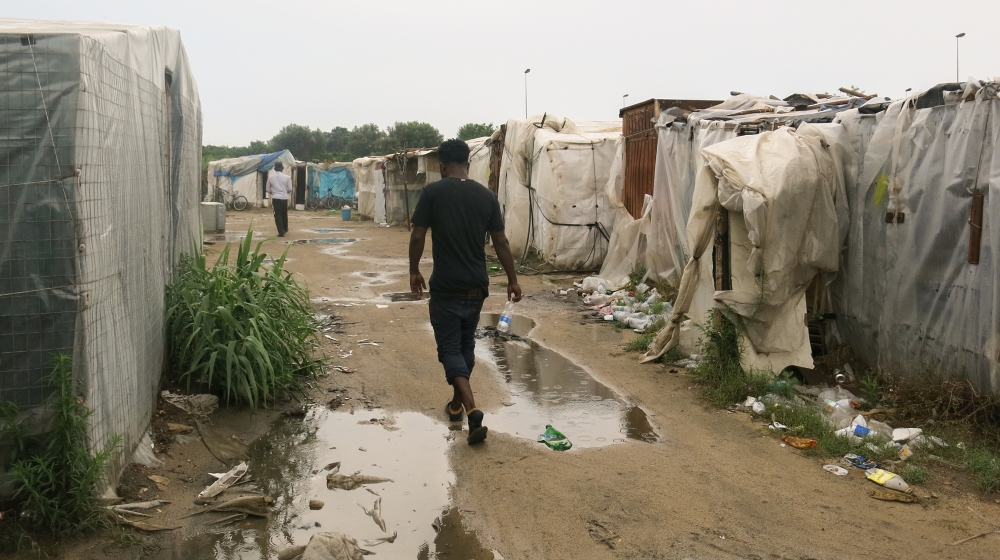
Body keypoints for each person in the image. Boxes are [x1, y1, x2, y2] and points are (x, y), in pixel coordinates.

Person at [409, 139, 522, 445]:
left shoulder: (433, 193)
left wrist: (414, 269)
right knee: (464, 346)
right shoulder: (486, 196)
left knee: (449, 350)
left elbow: (418, 234)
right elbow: (501, 242)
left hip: (446, 286)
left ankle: (472, 409)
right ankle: (457, 405)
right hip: (476, 286)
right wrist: (512, 280)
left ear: (442, 165)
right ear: (468, 163)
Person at [267, 162, 292, 237]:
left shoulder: (270, 177)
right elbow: (290, 189)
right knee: (284, 213)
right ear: (282, 168)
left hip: (276, 198)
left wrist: (274, 193)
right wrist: (284, 192)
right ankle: (285, 228)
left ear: (275, 169)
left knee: (277, 215)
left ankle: (281, 232)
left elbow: (267, 189)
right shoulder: (287, 177)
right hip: (284, 198)